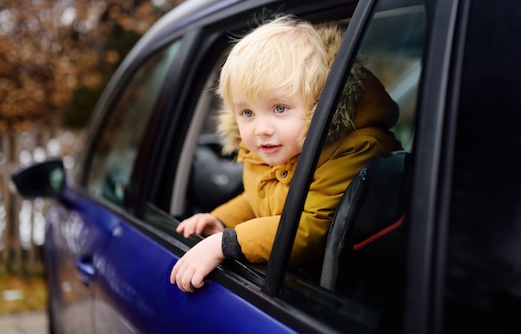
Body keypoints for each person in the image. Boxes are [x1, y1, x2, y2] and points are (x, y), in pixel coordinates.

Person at [170, 15, 401, 292]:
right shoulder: (268, 152)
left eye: (279, 108)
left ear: (319, 103)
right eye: (247, 112)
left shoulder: (351, 150)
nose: (261, 129)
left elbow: (311, 229)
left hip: (331, 297)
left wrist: (228, 243)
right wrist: (221, 221)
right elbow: (258, 196)